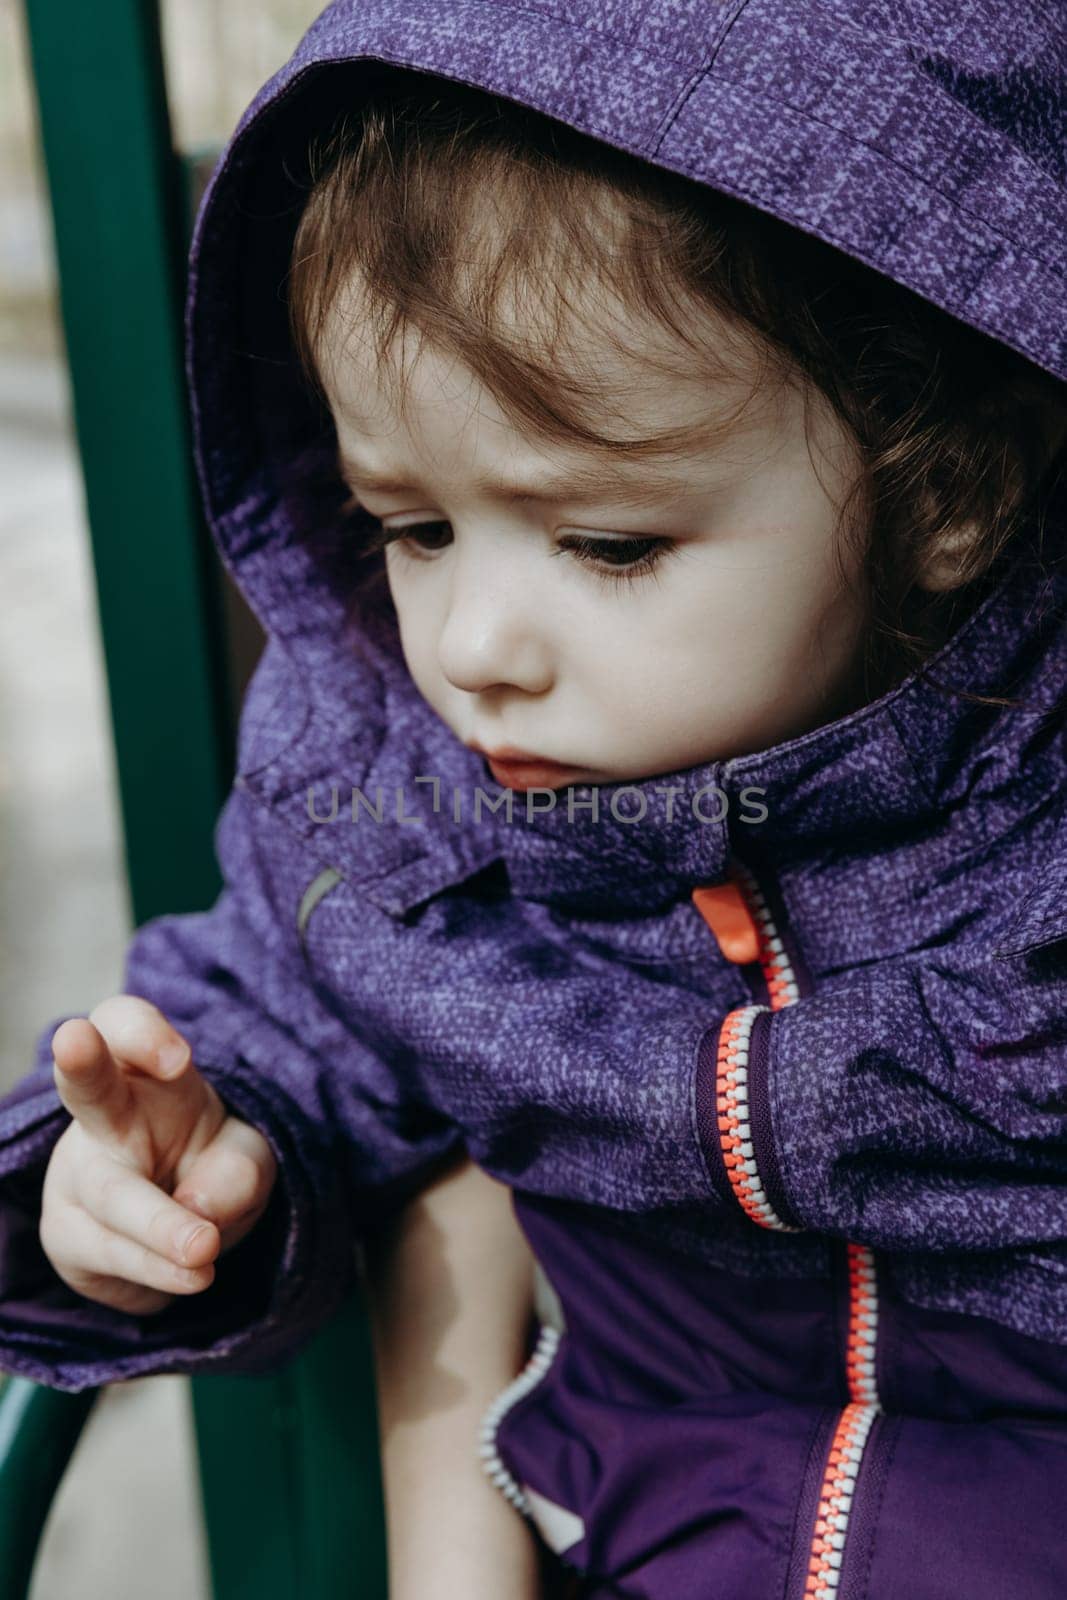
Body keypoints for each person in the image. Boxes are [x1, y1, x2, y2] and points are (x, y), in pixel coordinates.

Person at [2, 2, 1066, 1595]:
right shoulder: (400, 798)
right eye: (412, 527)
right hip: (639, 1537)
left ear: (953, 490)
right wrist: (166, 1175)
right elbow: (275, 1020)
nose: (476, 648)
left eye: (611, 544)